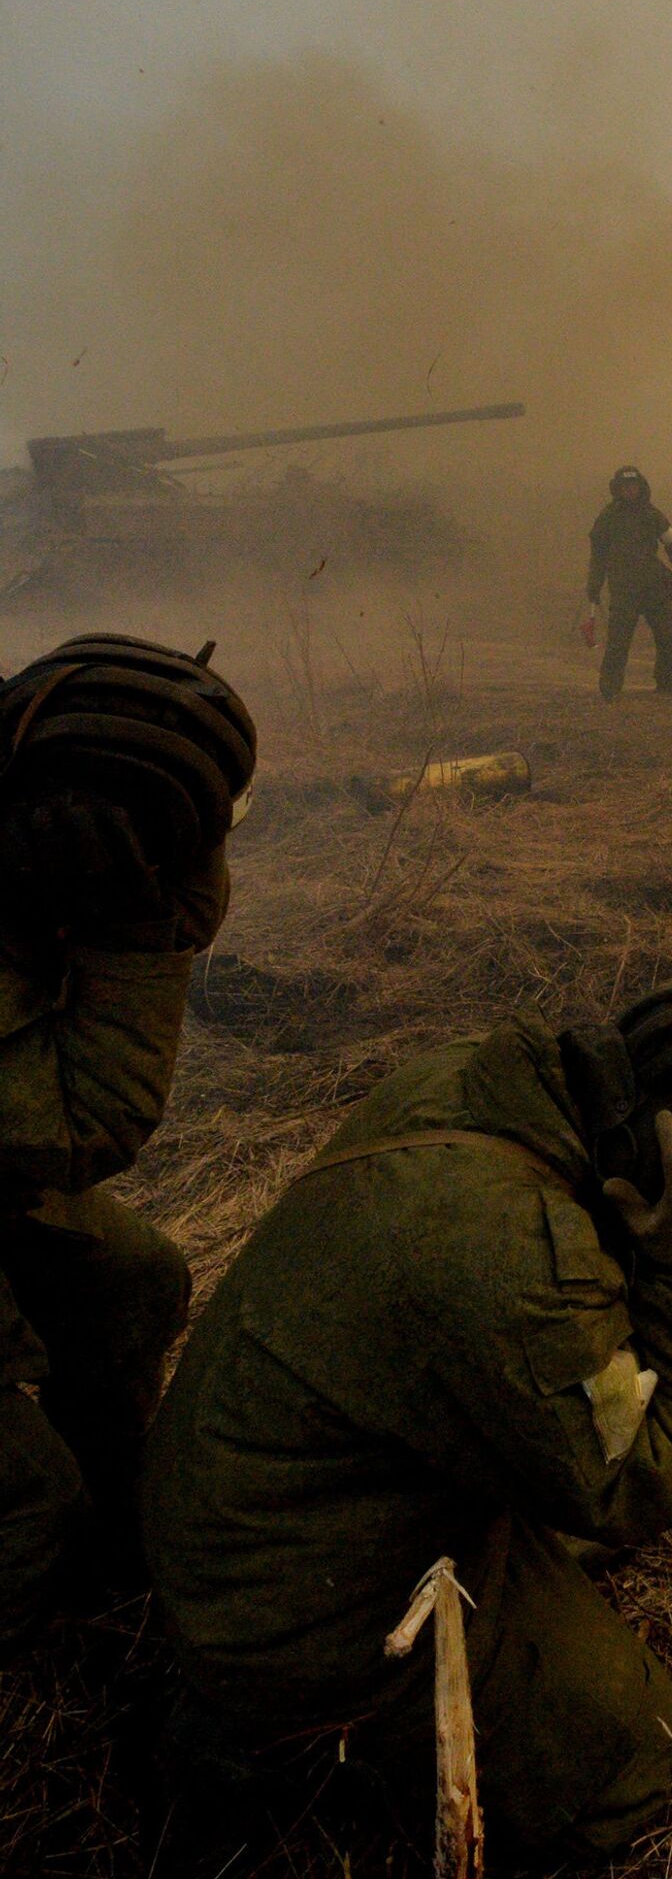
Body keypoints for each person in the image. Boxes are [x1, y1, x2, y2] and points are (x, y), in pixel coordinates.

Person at [142, 985, 672, 1865]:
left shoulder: (469, 1090)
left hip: (239, 1523)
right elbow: (641, 1478)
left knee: (562, 1538)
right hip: (280, 1620)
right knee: (635, 1748)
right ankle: (280, 1755)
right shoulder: (519, 1263)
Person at [0, 634, 254, 1653]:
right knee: (27, 1508)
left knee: (135, 1278)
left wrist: (165, 844)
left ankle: (110, 1540)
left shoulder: (26, 764)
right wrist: (131, 938)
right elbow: (81, 1126)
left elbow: (182, 895)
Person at [586, 465, 672, 699]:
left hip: (653, 586)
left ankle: (665, 681)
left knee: (667, 636)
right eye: (625, 487)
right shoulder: (607, 518)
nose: (630, 491)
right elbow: (598, 555)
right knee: (618, 640)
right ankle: (610, 686)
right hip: (623, 588)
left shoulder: (653, 515)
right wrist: (594, 584)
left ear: (640, 488)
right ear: (617, 490)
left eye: (633, 487)